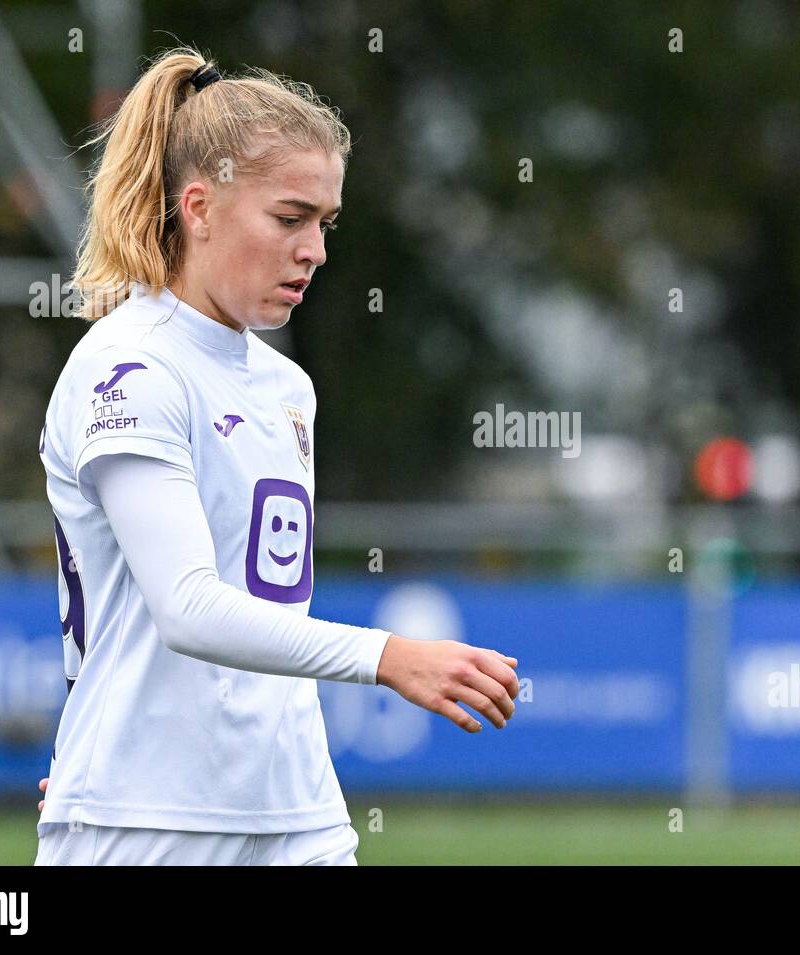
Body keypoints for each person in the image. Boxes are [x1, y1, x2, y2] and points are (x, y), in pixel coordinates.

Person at [34, 48, 519, 866]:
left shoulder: (287, 386)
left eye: (324, 224)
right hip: (147, 819)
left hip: (298, 814)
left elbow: (265, 610)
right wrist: (387, 656)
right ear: (199, 207)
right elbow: (187, 606)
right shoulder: (129, 368)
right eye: (290, 218)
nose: (315, 251)